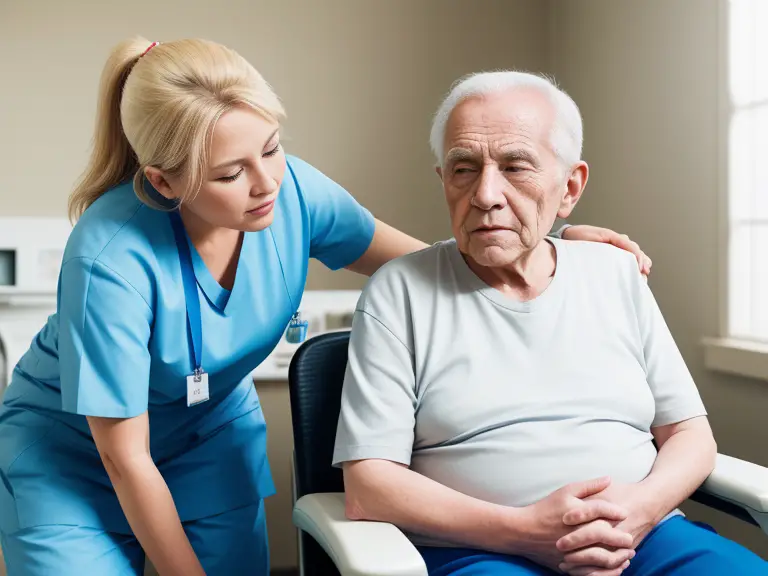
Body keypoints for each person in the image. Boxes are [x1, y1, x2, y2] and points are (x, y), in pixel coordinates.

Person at [0, 38, 647, 576]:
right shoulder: (110, 256)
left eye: (272, 147)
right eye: (229, 174)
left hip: (208, 442)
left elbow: (431, 266)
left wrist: (550, 251)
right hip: (78, 459)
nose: (267, 183)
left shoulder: (294, 192)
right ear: (164, 181)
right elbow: (124, 456)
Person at [332, 70, 768, 576]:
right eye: (464, 169)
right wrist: (525, 531)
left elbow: (690, 436)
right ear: (443, 181)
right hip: (480, 550)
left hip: (644, 537)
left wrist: (639, 511)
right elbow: (370, 486)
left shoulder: (613, 272)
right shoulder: (397, 292)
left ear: (570, 187)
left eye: (516, 167)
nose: (485, 194)